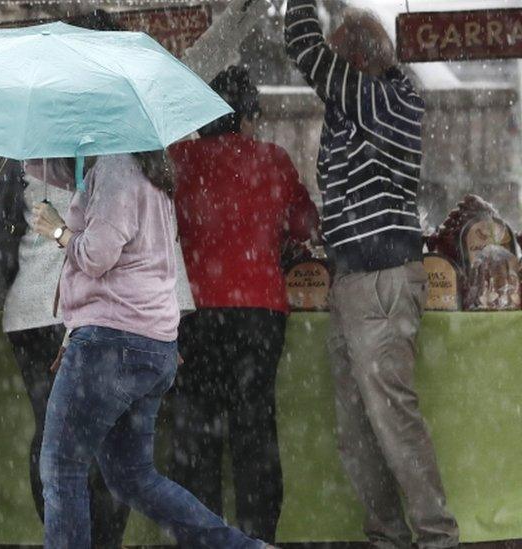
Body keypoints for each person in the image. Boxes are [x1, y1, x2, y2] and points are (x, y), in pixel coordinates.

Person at [284, 2, 459, 548]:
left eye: (338, 57)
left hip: (379, 278)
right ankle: (389, 538)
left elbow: (304, 49)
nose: (327, 69)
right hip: (357, 279)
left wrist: (298, 4)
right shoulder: (364, 104)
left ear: (352, 58)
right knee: (359, 432)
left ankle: (435, 537)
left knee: (390, 423)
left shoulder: (381, 98)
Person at [32, 152, 268, 548]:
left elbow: (95, 255)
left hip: (109, 344)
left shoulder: (116, 166)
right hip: (148, 344)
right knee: (131, 477)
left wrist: (59, 232)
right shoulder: (147, 167)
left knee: (61, 466)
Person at [167, 66, 318, 543]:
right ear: (248, 116)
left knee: (196, 434)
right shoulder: (273, 160)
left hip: (194, 311)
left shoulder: (178, 160)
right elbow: (306, 225)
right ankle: (258, 536)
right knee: (254, 430)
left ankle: (203, 534)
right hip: (259, 311)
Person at [3, 158, 131, 548]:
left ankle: (63, 534)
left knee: (51, 432)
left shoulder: (28, 150)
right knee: (101, 433)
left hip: (28, 311)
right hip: (77, 310)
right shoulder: (107, 158)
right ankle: (96, 538)